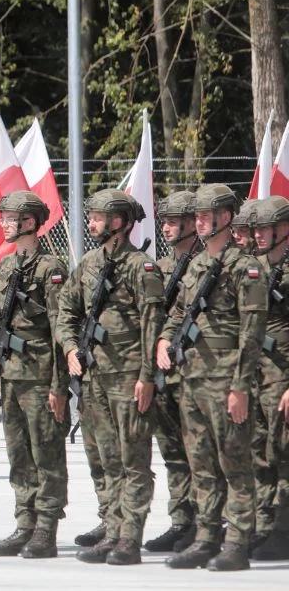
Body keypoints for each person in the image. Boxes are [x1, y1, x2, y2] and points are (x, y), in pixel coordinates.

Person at [157, 185, 266, 571]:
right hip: (193, 379)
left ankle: (237, 539)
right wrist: (163, 340)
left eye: (206, 214)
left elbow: (251, 334)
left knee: (234, 463)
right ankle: (207, 536)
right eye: (197, 214)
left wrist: (240, 386)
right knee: (200, 463)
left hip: (226, 381)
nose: (199, 220)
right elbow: (177, 315)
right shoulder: (198, 264)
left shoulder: (245, 267)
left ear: (226, 217)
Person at [55, 189, 162, 565]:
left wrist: (147, 377)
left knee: (133, 459)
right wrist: (70, 347)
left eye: (99, 217)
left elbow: (153, 325)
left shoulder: (140, 266)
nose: (92, 222)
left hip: (129, 375)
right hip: (94, 375)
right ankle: (113, 528)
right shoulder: (88, 263)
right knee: (103, 458)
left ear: (119, 222)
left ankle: (129, 538)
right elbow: (65, 310)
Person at [0, 191, 69, 559]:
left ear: (29, 222)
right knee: (18, 454)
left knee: (46, 452)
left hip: (41, 375)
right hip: (11, 375)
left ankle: (46, 527)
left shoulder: (51, 268)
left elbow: (63, 328)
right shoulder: (7, 266)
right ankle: (24, 523)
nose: (3, 223)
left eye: (10, 218)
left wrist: (60, 385)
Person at [145, 191, 200, 553]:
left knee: (202, 453)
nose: (165, 227)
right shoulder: (161, 267)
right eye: (163, 220)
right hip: (164, 373)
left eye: (172, 221)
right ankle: (182, 521)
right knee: (174, 454)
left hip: (197, 373)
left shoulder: (209, 265)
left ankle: (211, 522)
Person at [251, 196, 289, 561]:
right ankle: (264, 525)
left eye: (265, 228)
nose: (259, 234)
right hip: (255, 374)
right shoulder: (253, 268)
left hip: (283, 374)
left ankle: (284, 529)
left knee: (284, 452)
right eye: (256, 228)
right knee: (259, 451)